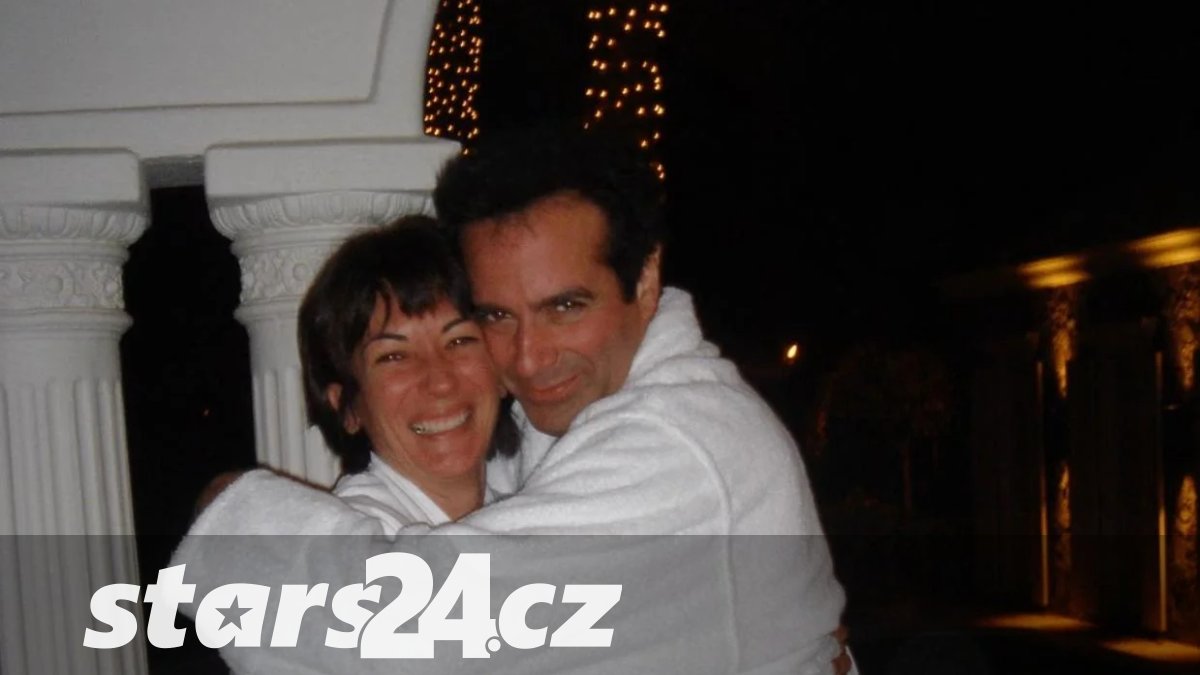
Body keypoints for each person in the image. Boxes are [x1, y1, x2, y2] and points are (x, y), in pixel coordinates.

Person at [173, 128, 851, 675]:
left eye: (564, 306)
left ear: (644, 280)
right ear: (343, 399)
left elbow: (409, 624)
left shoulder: (676, 446)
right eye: (497, 316)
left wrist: (228, 511)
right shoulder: (561, 428)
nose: (527, 359)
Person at [298, 215, 518, 527]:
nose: (440, 381)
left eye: (459, 340)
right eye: (394, 357)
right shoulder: (351, 540)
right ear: (347, 408)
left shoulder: (529, 515)